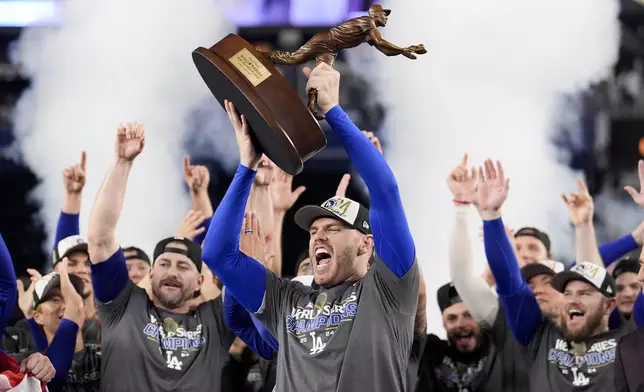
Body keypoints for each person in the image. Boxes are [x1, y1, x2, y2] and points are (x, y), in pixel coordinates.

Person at [203, 62, 418, 392]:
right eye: (314, 230)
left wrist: (333, 110)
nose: (317, 234)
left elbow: (385, 191)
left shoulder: (390, 289)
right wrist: (247, 166)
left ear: (366, 243)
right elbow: (217, 254)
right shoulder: (286, 298)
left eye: (333, 229)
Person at [86, 122, 234, 391]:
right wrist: (122, 164)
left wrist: (252, 181)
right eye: (164, 264)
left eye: (183, 266)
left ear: (201, 281)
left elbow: (223, 266)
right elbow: (100, 239)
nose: (172, 272)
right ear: (150, 273)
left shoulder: (216, 321)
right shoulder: (122, 306)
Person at [476, 158, 644, 390]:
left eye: (584, 293)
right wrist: (491, 217)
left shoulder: (631, 337)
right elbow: (509, 281)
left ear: (609, 305)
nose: (572, 298)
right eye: (567, 292)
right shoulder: (539, 335)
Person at [30, 265, 100, 392]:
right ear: (37, 317)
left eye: (71, 298)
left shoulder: (107, 357)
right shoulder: (35, 367)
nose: (66, 306)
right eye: (55, 300)